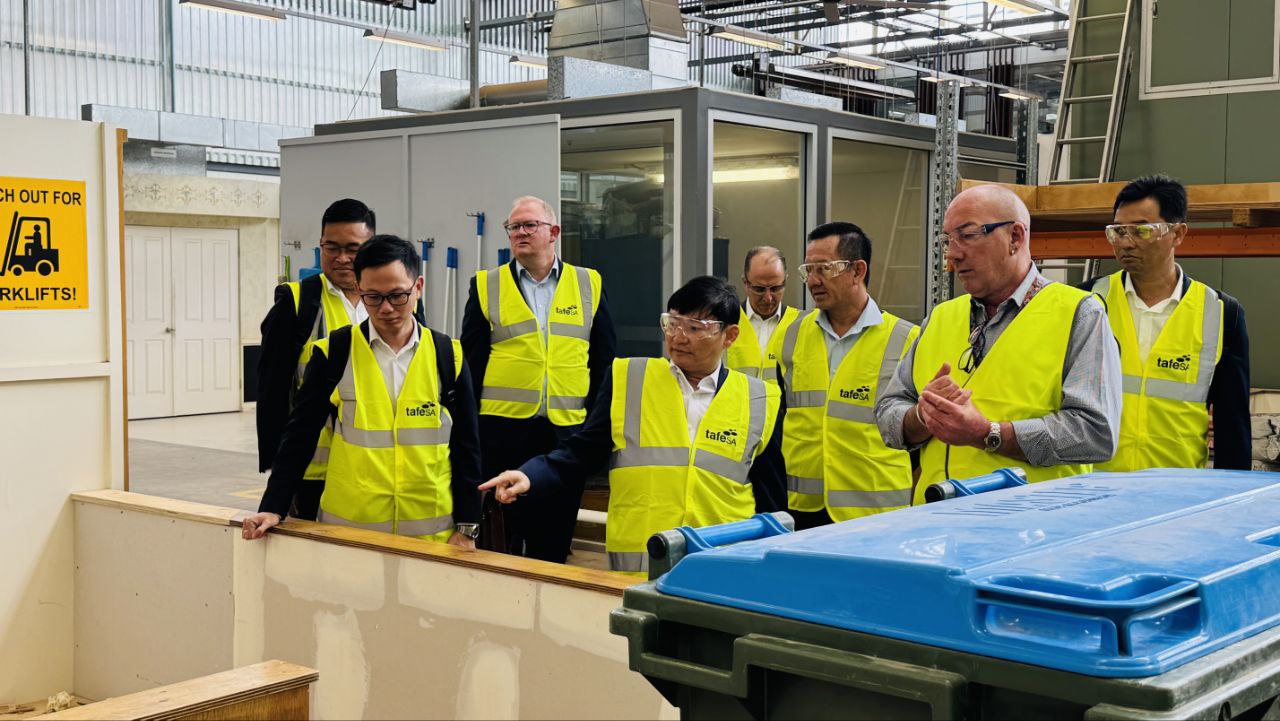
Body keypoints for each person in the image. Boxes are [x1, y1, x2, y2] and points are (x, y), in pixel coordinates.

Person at [479, 277, 783, 575]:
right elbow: (583, 450)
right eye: (672, 323)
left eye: (694, 328)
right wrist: (530, 475)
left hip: (722, 566)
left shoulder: (758, 400)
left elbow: (770, 499)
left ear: (729, 336)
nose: (678, 337)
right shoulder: (629, 379)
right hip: (642, 564)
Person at [875, 184, 1122, 502]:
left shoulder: (1079, 313)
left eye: (967, 235)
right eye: (947, 241)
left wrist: (988, 434)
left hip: (1031, 522)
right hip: (939, 521)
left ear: (1015, 237)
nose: (952, 254)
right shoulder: (940, 317)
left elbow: (1095, 433)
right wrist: (923, 417)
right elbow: (888, 412)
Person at [243, 235, 482, 548]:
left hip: (430, 536)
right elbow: (300, 435)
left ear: (418, 287)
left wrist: (467, 527)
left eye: (397, 295)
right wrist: (273, 506)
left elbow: (467, 448)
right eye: (373, 297)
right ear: (359, 288)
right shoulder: (334, 353)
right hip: (351, 535)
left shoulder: (449, 356)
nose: (386, 308)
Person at [460, 196, 616, 563]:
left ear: (554, 232)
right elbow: (470, 365)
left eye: (529, 225)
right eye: (514, 227)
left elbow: (604, 361)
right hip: (502, 433)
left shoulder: (588, 283)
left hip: (566, 434)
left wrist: (594, 425)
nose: (520, 233)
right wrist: (472, 432)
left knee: (554, 540)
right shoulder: (486, 285)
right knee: (502, 540)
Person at [1080, 175, 1251, 471]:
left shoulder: (1221, 313)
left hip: (1177, 489)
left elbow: (1233, 428)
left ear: (1178, 234)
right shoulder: (1087, 302)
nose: (1126, 242)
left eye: (1142, 230)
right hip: (1094, 485)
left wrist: (1232, 494)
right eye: (1118, 231)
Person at [777, 223, 919, 528]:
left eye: (824, 269)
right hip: (803, 510)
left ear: (857, 271)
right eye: (808, 270)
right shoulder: (792, 334)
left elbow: (923, 436)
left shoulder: (907, 340)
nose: (813, 280)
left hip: (877, 512)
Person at [256, 199, 374, 520]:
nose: (342, 258)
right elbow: (272, 387)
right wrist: (276, 463)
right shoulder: (297, 303)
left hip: (373, 464)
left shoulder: (391, 303)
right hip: (313, 468)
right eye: (331, 247)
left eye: (353, 248)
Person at [725, 246, 801, 385]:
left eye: (775, 288)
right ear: (745, 283)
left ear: (785, 281)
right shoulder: (725, 322)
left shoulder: (801, 325)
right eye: (759, 289)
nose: (768, 298)